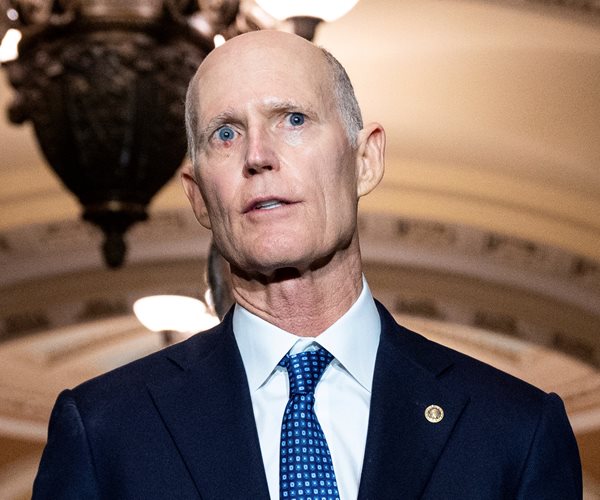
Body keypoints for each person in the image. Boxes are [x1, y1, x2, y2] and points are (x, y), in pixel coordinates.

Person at [33, 30, 581, 499]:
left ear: (365, 160)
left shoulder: (514, 429)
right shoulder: (105, 430)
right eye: (225, 134)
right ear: (198, 196)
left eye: (293, 119)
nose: (257, 155)